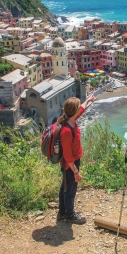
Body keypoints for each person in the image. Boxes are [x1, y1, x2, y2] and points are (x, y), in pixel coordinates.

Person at [57, 95, 96, 224]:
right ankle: (69, 214)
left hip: (70, 163)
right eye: (78, 107)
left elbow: (81, 110)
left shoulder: (70, 120)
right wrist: (76, 172)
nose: (80, 109)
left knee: (65, 187)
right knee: (70, 189)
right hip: (70, 164)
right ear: (73, 111)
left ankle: (62, 212)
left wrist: (88, 100)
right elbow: (68, 155)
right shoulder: (67, 131)